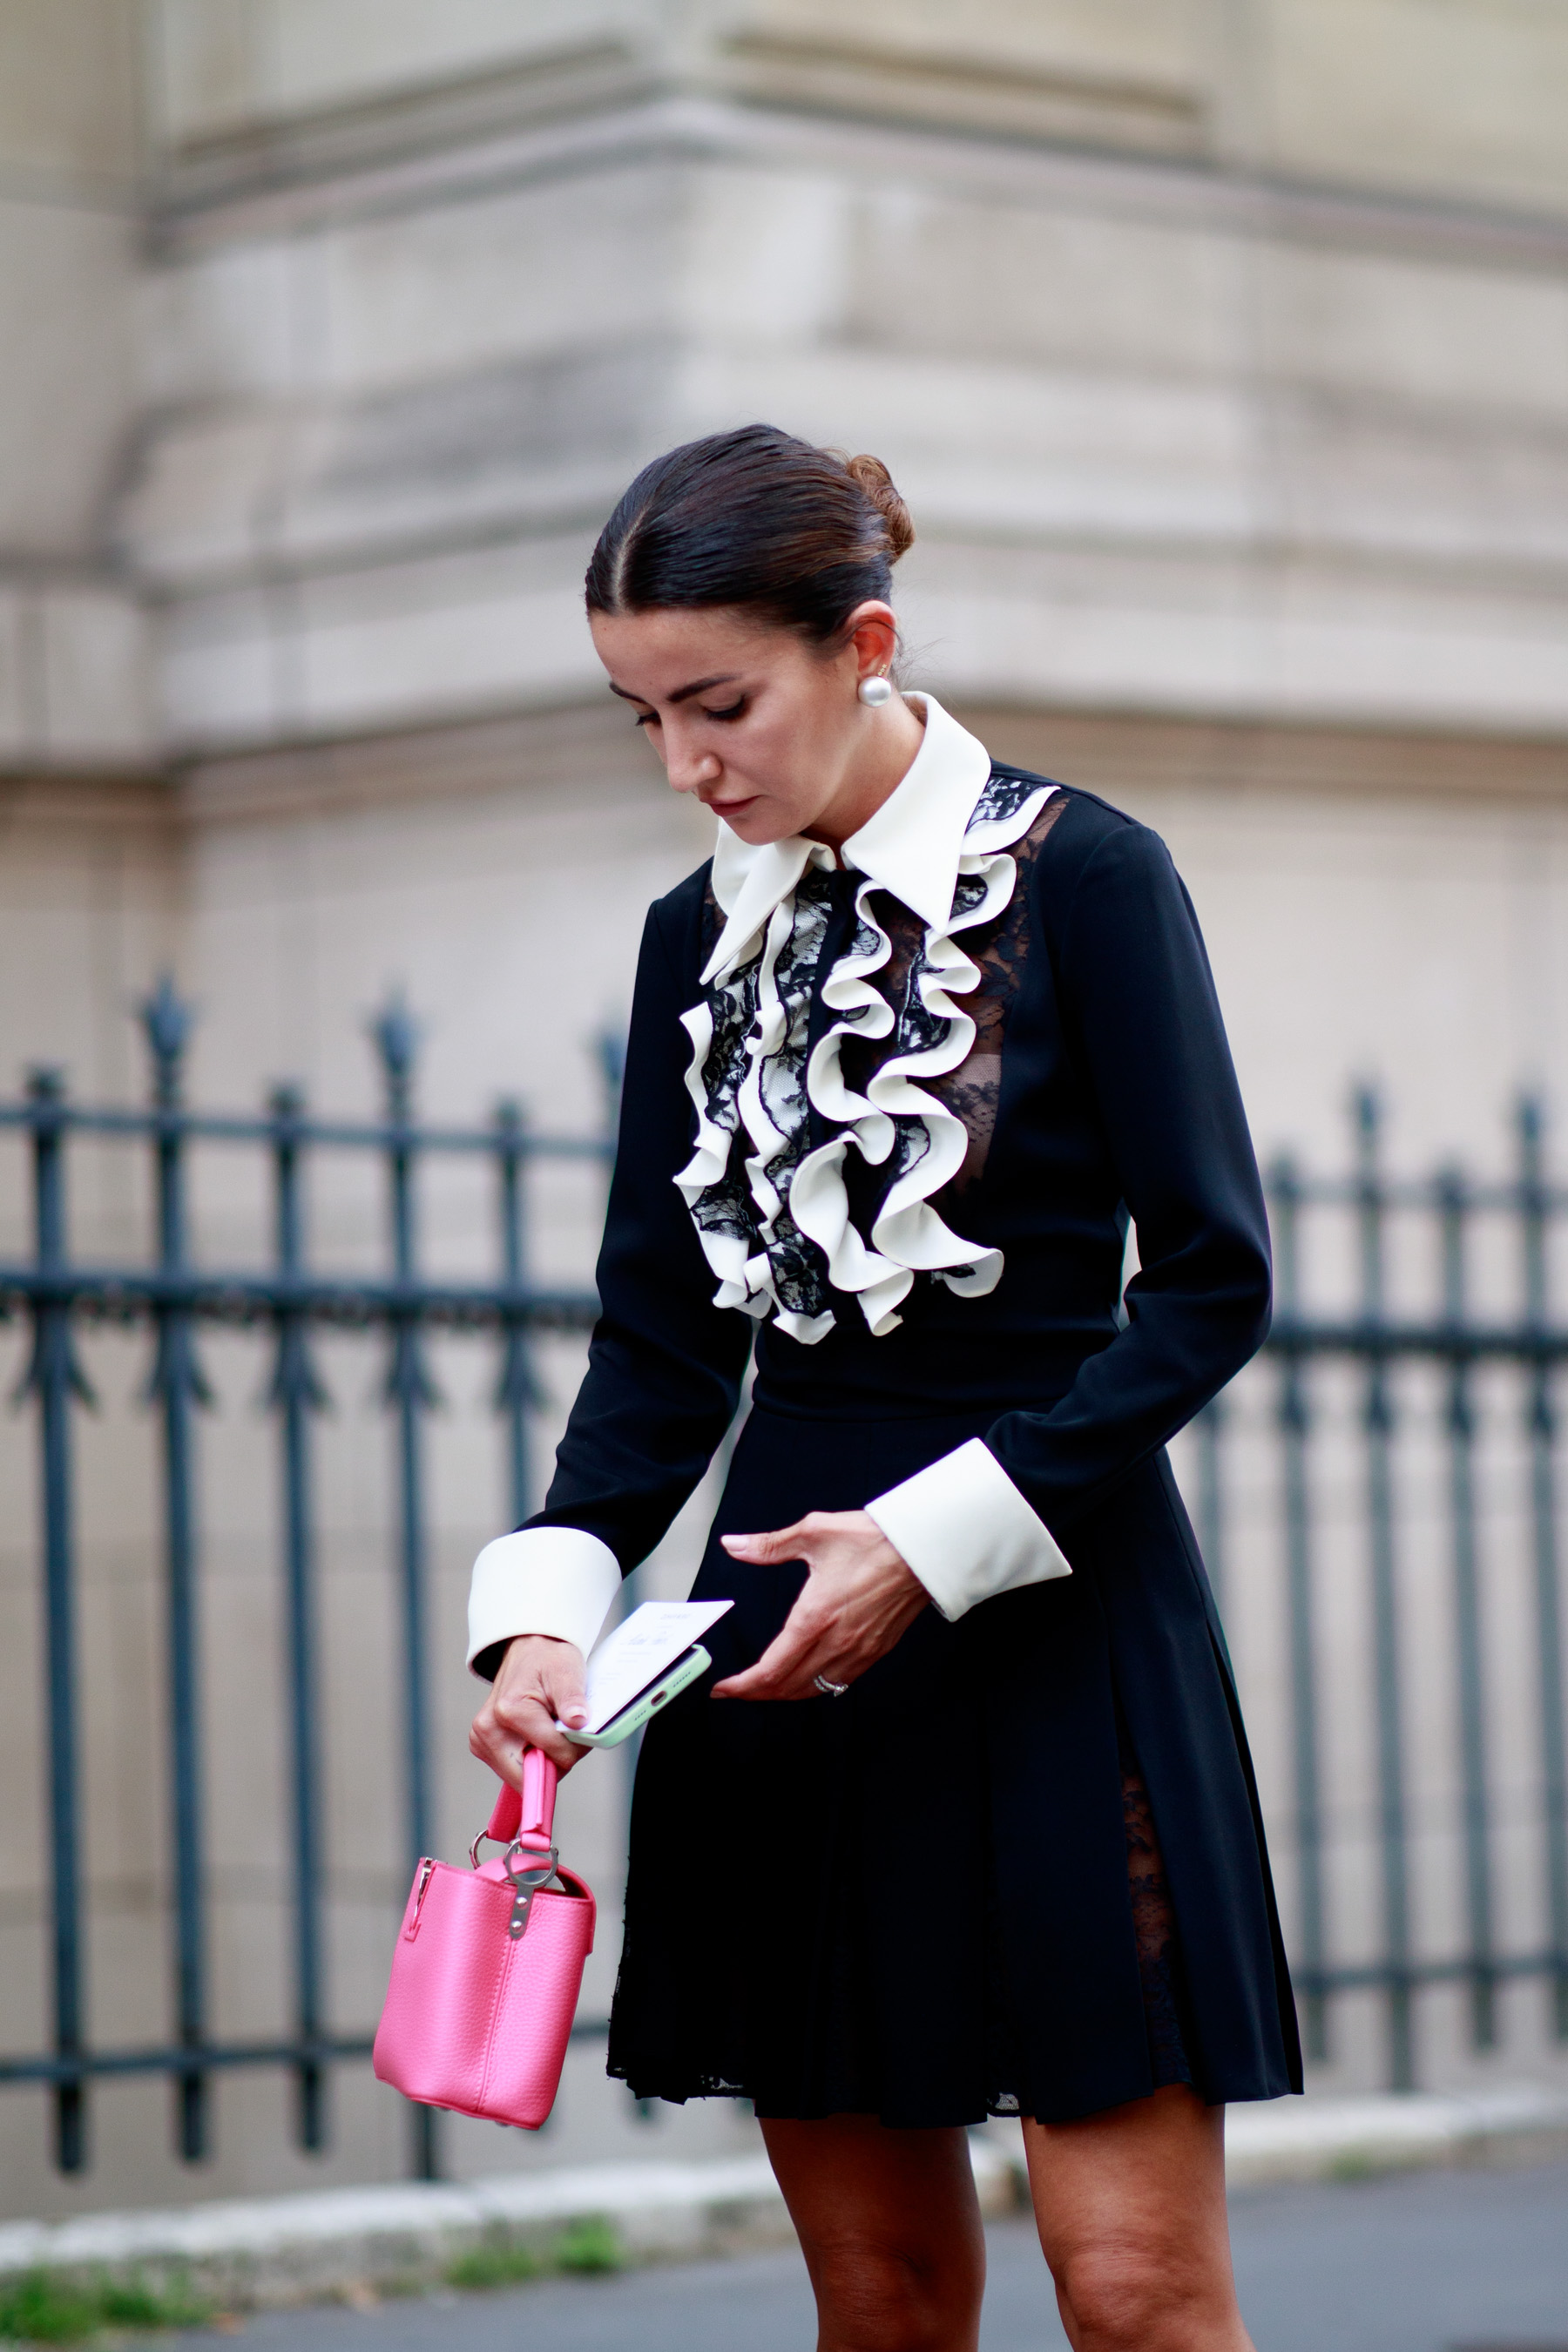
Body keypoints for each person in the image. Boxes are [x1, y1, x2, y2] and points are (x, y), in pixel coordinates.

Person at [468, 423, 1300, 2352]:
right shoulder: (698, 942)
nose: (688, 766)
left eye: (719, 704)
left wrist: (933, 1546)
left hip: (1057, 1606)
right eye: (643, 719)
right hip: (778, 1652)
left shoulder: (1091, 876)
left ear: (864, 641)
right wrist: (550, 1605)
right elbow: (664, 1344)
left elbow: (1212, 1285)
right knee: (887, 2294)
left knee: (1141, 2293)